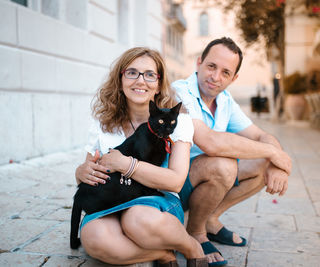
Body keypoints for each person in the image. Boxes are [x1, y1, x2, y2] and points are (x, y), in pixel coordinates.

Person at [74, 47, 208, 267]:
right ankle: (162, 254)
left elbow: (175, 180)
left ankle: (191, 246)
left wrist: (126, 164)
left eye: (149, 74)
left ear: (158, 83)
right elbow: (87, 173)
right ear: (121, 79)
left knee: (137, 220)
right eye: (132, 72)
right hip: (111, 201)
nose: (141, 81)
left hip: (154, 204)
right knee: (94, 239)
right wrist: (80, 172)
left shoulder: (177, 122)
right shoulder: (103, 122)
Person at [172, 37, 292, 265]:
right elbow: (209, 142)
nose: (215, 77)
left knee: (262, 163)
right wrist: (273, 152)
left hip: (199, 181)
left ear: (234, 78)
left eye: (225, 72)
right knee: (223, 165)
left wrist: (275, 162)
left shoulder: (225, 101)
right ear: (199, 63)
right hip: (171, 187)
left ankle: (211, 218)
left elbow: (260, 135)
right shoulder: (180, 92)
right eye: (211, 66)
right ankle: (195, 232)